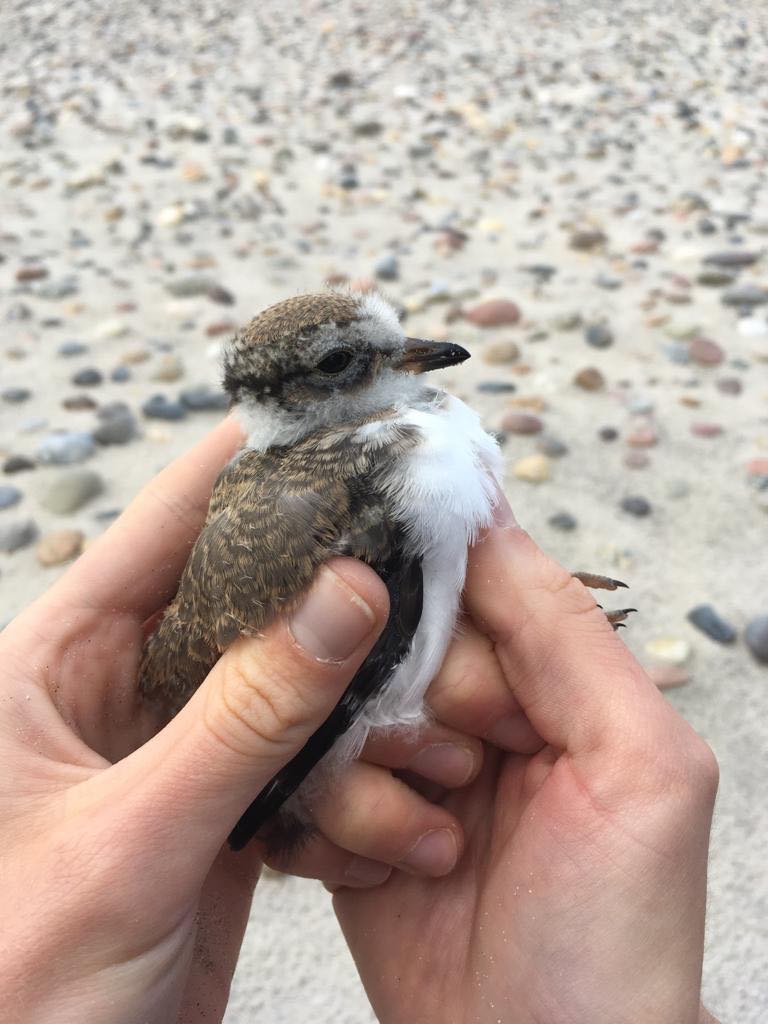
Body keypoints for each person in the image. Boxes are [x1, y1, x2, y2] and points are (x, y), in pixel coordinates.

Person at [0, 418, 720, 1024]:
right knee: (408, 651)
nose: (413, 358)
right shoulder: (370, 476)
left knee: (418, 654)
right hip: (321, 727)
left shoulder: (347, 462)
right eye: (357, 362)